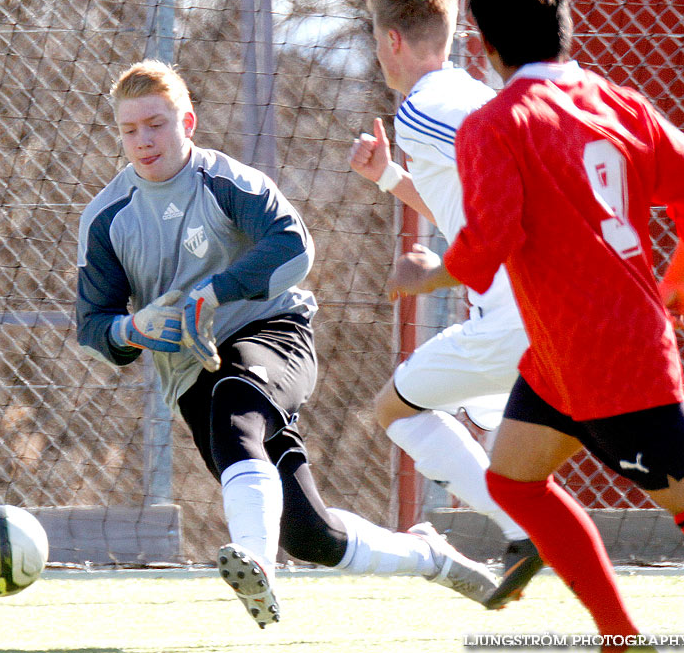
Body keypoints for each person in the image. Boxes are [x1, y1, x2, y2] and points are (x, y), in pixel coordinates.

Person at [75, 59, 500, 628]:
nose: (143, 140)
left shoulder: (228, 182)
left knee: (236, 392)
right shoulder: (106, 218)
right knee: (312, 534)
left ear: (188, 122)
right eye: (130, 130)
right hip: (190, 375)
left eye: (156, 124)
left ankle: (256, 562)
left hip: (273, 334)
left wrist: (215, 293)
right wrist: (134, 329)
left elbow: (294, 249)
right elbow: (93, 324)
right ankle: (430, 555)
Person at [387, 0, 684, 652]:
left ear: (487, 47)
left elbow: (489, 239)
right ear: (565, 27)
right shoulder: (621, 104)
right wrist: (680, 273)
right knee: (514, 483)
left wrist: (428, 272)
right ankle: (620, 639)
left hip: (612, 365)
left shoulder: (498, 123)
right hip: (558, 359)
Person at [348, 0, 542, 608]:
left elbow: (507, 162)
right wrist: (389, 178)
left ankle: (526, 532)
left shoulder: (424, 107)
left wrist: (434, 272)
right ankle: (531, 532)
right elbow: (466, 192)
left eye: (377, 40)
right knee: (505, 436)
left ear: (394, 42)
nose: (378, 53)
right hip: (532, 310)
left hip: (514, 316)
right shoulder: (463, 92)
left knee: (394, 410)